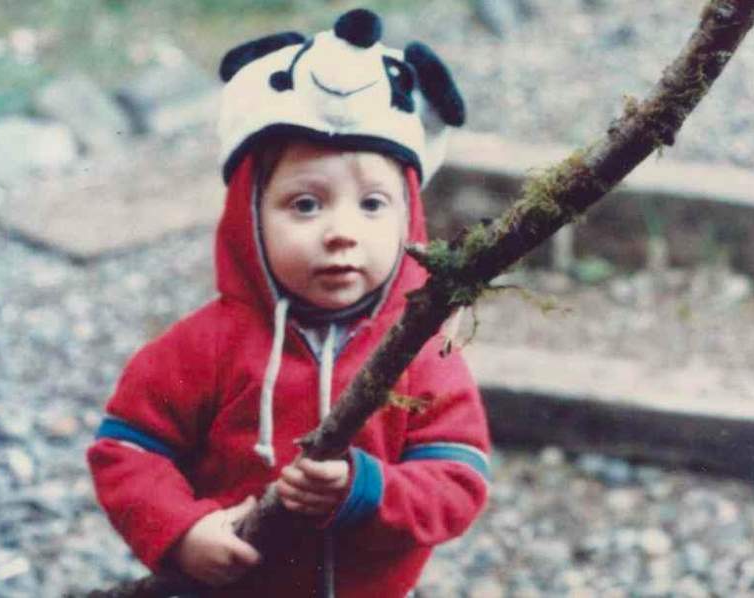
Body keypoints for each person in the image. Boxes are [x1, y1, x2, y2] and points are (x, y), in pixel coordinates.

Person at [87, 8, 491, 597]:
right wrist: (181, 530)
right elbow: (127, 450)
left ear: (409, 216)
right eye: (306, 205)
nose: (341, 232)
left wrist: (367, 491)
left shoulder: (421, 351)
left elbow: (458, 478)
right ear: (249, 215)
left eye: (372, 205)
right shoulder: (206, 346)